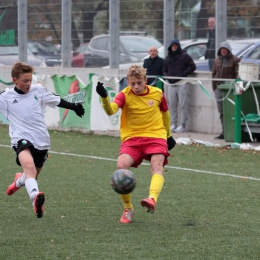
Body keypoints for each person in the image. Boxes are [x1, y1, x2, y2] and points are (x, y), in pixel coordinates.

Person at [0, 61, 85, 218]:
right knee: (30, 168)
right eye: (25, 80)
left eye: (30, 80)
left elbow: (57, 100)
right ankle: (35, 198)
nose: (28, 83)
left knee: (31, 175)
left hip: (41, 140)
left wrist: (74, 106)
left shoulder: (38, 90)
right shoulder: (5, 97)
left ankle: (18, 181)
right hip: (21, 138)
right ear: (15, 80)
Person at [96, 65, 176, 224]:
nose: (136, 87)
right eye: (132, 84)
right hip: (132, 139)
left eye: (139, 83)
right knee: (121, 167)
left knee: (157, 165)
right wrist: (104, 97)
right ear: (128, 82)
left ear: (146, 80)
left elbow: (165, 113)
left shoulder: (158, 93)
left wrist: (168, 135)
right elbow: (111, 111)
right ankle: (128, 208)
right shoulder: (124, 95)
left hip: (155, 136)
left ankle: (152, 199)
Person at [162, 39, 196, 133]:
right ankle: (173, 124)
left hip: (182, 83)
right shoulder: (167, 58)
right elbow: (164, 69)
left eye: (176, 46)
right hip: (171, 84)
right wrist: (166, 77)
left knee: (183, 104)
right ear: (170, 47)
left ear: (178, 46)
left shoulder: (185, 56)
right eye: (173, 46)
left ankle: (183, 125)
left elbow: (192, 67)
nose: (174, 48)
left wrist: (183, 74)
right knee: (172, 105)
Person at [212, 42, 240, 139]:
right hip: (218, 89)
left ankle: (232, 132)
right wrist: (214, 87)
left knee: (230, 111)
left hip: (229, 89)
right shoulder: (217, 60)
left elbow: (237, 75)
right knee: (222, 112)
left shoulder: (235, 60)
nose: (223, 50)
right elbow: (213, 74)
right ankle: (224, 132)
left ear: (228, 50)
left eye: (225, 49)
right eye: (221, 49)